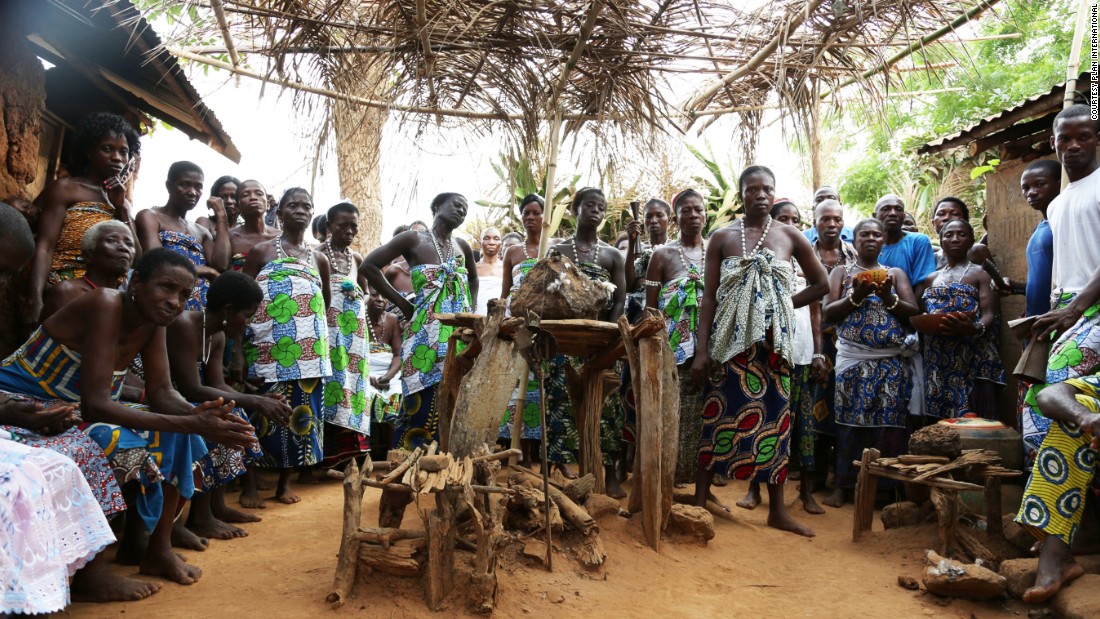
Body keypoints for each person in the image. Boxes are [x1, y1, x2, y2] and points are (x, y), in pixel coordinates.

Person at [1, 248, 257, 586]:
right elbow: (97, 406)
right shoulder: (106, 303)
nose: (175, 301)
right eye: (166, 287)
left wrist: (201, 416)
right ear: (136, 282)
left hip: (75, 405)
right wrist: (191, 420)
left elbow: (163, 393)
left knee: (185, 436)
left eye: (184, 295)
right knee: (112, 439)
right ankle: (92, 571)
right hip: (24, 403)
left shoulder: (154, 322)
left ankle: (156, 549)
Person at [0, 202, 159, 608]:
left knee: (82, 449)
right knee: (89, 445)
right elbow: (95, 400)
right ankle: (85, 570)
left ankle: (135, 547)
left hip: (30, 404)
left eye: (6, 274)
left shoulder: (140, 315)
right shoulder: (89, 298)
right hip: (25, 402)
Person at [691, 166, 828, 537]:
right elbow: (708, 298)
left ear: (775, 191)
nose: (761, 195)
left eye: (768, 188)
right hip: (729, 346)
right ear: (741, 194)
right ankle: (701, 499)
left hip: (774, 349)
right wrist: (701, 350)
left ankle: (777, 511)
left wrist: (780, 305)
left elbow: (822, 284)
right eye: (753, 189)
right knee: (716, 417)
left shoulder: (790, 235)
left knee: (775, 423)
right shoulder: (721, 237)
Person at [1018, 105, 1100, 601]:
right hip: (1068, 313)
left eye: (1083, 136)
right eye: (1064, 138)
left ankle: (1056, 555)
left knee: (1057, 400)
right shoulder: (1060, 203)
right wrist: (1051, 317)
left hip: (1090, 311)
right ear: (1053, 143)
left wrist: (1076, 310)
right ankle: (1063, 544)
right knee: (1038, 422)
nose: (1073, 145)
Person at [165, 271, 291, 540]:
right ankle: (200, 517)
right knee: (221, 417)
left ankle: (215, 508)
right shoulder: (186, 325)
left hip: (186, 398)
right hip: (163, 397)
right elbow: (191, 388)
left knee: (232, 412)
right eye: (246, 315)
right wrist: (255, 400)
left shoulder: (217, 336)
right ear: (228, 309)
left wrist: (262, 400)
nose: (248, 324)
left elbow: (218, 385)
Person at [361, 193, 478, 450]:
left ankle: (448, 461)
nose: (461, 211)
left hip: (457, 334)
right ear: (436, 207)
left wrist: (473, 314)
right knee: (420, 395)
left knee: (455, 394)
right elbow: (369, 266)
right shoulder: (413, 239)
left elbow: (473, 280)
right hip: (423, 332)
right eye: (456, 205)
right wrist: (403, 304)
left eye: (465, 209)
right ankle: (411, 460)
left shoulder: (462, 246)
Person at [822, 218, 921, 508]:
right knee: (848, 424)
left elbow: (912, 313)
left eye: (876, 235)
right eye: (864, 234)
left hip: (889, 364)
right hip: (853, 361)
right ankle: (844, 486)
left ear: (883, 240)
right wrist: (856, 295)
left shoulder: (895, 274)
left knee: (889, 426)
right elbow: (828, 312)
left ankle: (885, 489)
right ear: (855, 239)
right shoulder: (842, 272)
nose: (871, 238)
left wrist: (888, 297)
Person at [242, 188, 332, 505]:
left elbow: (326, 301)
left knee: (297, 416)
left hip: (308, 353)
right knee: (260, 413)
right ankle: (250, 484)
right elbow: (244, 296)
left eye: (306, 205)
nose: (300, 210)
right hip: (267, 348)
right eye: (292, 205)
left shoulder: (318, 258)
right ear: (279, 212)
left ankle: (284, 483)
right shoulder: (261, 251)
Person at [742, 199, 828, 515]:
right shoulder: (763, 262)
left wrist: (818, 352)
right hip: (770, 353)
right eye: (783, 218)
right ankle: (754, 489)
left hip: (803, 353)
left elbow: (816, 313)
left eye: (795, 218)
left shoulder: (808, 261)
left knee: (803, 426)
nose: (789, 223)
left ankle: (806, 493)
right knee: (764, 422)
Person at [25, 112, 141, 327]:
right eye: (107, 148)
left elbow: (136, 259)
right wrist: (35, 298)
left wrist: (122, 210)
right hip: (62, 287)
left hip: (105, 294)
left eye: (123, 151)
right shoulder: (67, 188)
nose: (117, 157)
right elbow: (45, 246)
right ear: (89, 151)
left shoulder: (120, 202)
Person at [552, 188, 628, 497]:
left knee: (608, 407)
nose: (595, 211)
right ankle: (562, 475)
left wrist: (607, 334)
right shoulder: (558, 250)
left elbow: (620, 298)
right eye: (589, 206)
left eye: (600, 207)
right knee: (563, 404)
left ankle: (609, 477)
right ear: (575, 210)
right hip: (565, 339)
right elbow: (549, 292)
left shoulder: (612, 255)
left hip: (600, 341)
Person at [643, 190, 710, 490]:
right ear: (676, 217)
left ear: (706, 215)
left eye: (698, 210)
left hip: (710, 350)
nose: (693, 215)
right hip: (672, 352)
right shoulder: (663, 255)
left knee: (704, 417)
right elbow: (651, 310)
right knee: (670, 415)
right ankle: (664, 482)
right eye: (686, 210)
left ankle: (700, 489)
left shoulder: (718, 253)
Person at [917, 220, 1001, 421]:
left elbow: (990, 312)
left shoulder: (980, 273)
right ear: (941, 240)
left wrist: (974, 328)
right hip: (938, 357)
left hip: (972, 352)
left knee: (976, 415)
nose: (955, 238)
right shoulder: (931, 278)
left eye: (961, 234)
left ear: (971, 240)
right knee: (942, 421)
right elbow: (922, 313)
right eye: (949, 235)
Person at [1013, 160, 1061, 466]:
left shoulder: (1061, 222)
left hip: (1057, 325)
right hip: (1036, 327)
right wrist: (1018, 287)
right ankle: (1034, 472)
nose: (1031, 192)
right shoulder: (1043, 225)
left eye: (1039, 184)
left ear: (1060, 183)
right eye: (1026, 188)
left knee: (1047, 403)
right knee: (1032, 406)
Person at [499, 195, 552, 468]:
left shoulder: (553, 249)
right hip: (518, 326)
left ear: (545, 216)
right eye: (526, 213)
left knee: (541, 388)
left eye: (535, 212)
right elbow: (505, 293)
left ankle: (540, 456)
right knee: (517, 388)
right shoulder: (513, 252)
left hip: (545, 326)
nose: (530, 217)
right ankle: (518, 455)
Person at [136, 161, 231, 310]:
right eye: (185, 184)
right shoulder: (150, 216)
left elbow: (221, 264)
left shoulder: (201, 231)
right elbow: (156, 259)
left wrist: (221, 216)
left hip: (202, 305)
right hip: (167, 300)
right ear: (169, 186)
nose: (193, 192)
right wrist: (209, 271)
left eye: (198, 187)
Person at [318, 202, 371, 467]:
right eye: (343, 226)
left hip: (355, 333)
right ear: (329, 227)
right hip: (328, 330)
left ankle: (351, 456)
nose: (349, 231)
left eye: (354, 226)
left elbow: (367, 291)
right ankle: (327, 457)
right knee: (332, 382)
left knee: (354, 383)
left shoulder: (357, 258)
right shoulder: (317, 255)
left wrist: (359, 295)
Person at [42, 220, 135, 319]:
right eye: (111, 240)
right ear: (88, 255)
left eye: (129, 244)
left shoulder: (128, 302)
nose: (124, 248)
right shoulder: (68, 292)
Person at [365, 285, 402, 459]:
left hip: (389, 374)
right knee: (367, 395)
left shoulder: (392, 319)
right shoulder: (357, 319)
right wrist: (366, 375)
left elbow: (397, 355)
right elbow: (353, 355)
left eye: (383, 296)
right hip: (365, 372)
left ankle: (391, 453)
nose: (379, 299)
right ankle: (365, 454)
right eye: (374, 295)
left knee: (397, 394)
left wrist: (387, 376)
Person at [624, 199, 672, 322]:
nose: (653, 220)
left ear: (669, 220)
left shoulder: (675, 249)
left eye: (659, 215)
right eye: (648, 217)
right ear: (643, 222)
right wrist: (631, 244)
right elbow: (629, 286)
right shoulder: (639, 249)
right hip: (637, 313)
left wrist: (643, 281)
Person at [874, 194, 937, 286]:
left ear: (903, 216)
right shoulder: (869, 245)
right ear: (874, 216)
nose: (893, 213)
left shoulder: (918, 241)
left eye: (898, 209)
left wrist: (908, 301)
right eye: (886, 208)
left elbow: (923, 284)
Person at [228, 180, 279, 272]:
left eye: (259, 194)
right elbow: (220, 268)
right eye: (245, 195)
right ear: (238, 206)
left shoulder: (280, 237)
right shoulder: (230, 237)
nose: (253, 197)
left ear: (267, 204)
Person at [930, 197, 970, 269]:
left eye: (954, 214)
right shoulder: (930, 259)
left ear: (966, 222)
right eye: (941, 214)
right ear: (933, 223)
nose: (947, 218)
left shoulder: (976, 251)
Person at [475, 226, 505, 315]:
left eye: (496, 239)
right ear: (480, 244)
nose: (491, 242)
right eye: (486, 238)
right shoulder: (473, 269)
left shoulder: (507, 269)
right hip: (475, 319)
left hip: (501, 320)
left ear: (501, 244)